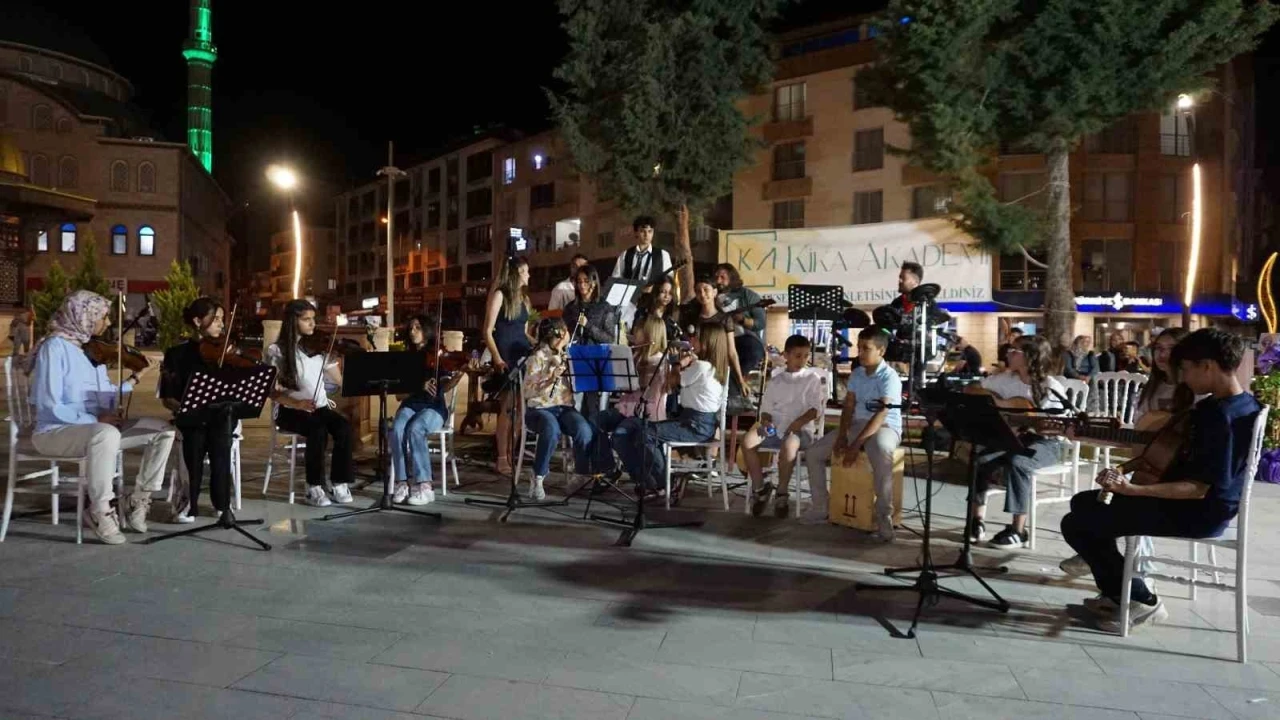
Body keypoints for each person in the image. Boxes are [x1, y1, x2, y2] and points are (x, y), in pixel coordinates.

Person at [1060, 328, 1262, 632]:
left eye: (1187, 369)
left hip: (1199, 512)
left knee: (1078, 523)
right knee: (1083, 504)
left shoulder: (1221, 418)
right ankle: (1121, 593)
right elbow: (1172, 453)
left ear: (1208, 366)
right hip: (1200, 504)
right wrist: (1126, 470)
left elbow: (1197, 488)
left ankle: (1140, 600)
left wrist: (1134, 489)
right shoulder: (1240, 404)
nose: (1184, 377)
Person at [28, 290, 173, 544]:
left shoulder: (91, 351)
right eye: (103, 317)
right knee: (105, 433)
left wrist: (135, 378)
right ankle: (99, 510)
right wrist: (96, 421)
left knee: (163, 431)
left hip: (97, 431)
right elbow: (49, 404)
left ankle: (138, 500)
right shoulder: (54, 348)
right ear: (83, 317)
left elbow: (105, 395)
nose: (108, 323)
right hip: (55, 432)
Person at [1059, 327, 1192, 580]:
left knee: (1111, 504)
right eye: (1158, 349)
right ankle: (1119, 575)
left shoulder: (1195, 390)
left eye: (1170, 349)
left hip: (1178, 476)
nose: (1162, 355)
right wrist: (1086, 435)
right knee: (1093, 501)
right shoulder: (1151, 389)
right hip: (1149, 468)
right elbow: (1138, 439)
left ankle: (1129, 577)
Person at [967, 334, 1066, 548]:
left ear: (1030, 356)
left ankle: (1018, 530)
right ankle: (977, 520)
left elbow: (1057, 424)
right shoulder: (1005, 379)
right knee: (979, 459)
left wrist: (1035, 424)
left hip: (1046, 443)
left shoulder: (1050, 386)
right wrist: (995, 402)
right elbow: (973, 389)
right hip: (1012, 437)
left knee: (1019, 463)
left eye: (1014, 351)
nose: (1008, 354)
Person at [804, 327, 903, 538]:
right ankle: (821, 506)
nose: (860, 353)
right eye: (859, 348)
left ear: (881, 351)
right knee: (814, 453)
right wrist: (842, 436)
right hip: (858, 423)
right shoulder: (857, 373)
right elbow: (848, 406)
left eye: (866, 348)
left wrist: (855, 445)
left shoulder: (890, 377)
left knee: (881, 451)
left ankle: (884, 515)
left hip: (885, 426)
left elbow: (881, 414)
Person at [614, 322, 728, 497]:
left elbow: (674, 381)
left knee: (646, 434)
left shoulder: (702, 366)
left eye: (696, 338)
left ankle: (666, 483)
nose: (692, 340)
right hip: (698, 422)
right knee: (633, 428)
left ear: (707, 343)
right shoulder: (709, 366)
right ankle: (650, 481)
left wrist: (677, 363)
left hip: (695, 424)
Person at [266, 299, 355, 508]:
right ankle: (313, 486)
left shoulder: (318, 348)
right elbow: (271, 392)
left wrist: (358, 378)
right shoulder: (277, 351)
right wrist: (296, 404)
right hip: (290, 410)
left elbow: (339, 380)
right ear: (292, 321)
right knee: (317, 430)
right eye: (306, 319)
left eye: (313, 319)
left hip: (318, 408)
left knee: (343, 427)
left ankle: (339, 482)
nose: (313, 324)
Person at [158, 297, 238, 522]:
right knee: (193, 441)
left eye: (222, 319)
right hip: (191, 416)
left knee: (221, 439)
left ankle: (222, 503)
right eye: (216, 319)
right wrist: (186, 408)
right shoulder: (176, 354)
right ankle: (188, 502)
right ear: (197, 321)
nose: (221, 324)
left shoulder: (226, 351)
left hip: (220, 415)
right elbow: (167, 398)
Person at [742, 335, 827, 519]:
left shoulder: (811, 379)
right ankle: (760, 487)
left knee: (789, 446)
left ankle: (782, 492)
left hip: (800, 429)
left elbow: (815, 409)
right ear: (786, 355)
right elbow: (766, 409)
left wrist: (798, 423)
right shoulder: (777, 381)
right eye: (797, 356)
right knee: (748, 441)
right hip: (775, 426)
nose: (802, 360)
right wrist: (766, 420)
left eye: (805, 356)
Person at [522, 318, 606, 500]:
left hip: (564, 407)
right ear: (559, 334)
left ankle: (580, 475)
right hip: (540, 408)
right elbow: (527, 391)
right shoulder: (537, 357)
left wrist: (577, 372)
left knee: (583, 430)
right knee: (551, 429)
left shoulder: (569, 356)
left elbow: (579, 386)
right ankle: (538, 475)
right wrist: (550, 378)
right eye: (565, 331)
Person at [387, 314, 466, 506]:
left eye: (418, 327)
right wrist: (418, 386)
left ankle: (425, 486)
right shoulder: (405, 358)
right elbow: (399, 396)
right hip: (410, 405)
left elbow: (445, 386)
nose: (413, 331)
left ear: (427, 331)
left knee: (416, 428)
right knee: (397, 429)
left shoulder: (438, 356)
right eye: (411, 328)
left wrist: (458, 376)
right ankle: (402, 482)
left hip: (434, 407)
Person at [482, 255, 533, 476]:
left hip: (522, 355)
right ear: (516, 274)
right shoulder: (500, 295)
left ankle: (513, 452)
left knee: (521, 408)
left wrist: (538, 344)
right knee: (507, 407)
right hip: (505, 357)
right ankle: (501, 457)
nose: (529, 275)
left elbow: (524, 332)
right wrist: (497, 358)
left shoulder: (525, 299)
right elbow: (487, 331)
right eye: (525, 271)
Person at [681, 276, 750, 403]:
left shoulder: (724, 319)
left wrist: (740, 380)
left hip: (717, 368)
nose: (702, 294)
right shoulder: (692, 318)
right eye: (698, 291)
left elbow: (732, 352)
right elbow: (688, 345)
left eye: (706, 289)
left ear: (714, 292)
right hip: (696, 369)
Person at [612, 215, 674, 327]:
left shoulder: (663, 255)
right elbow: (616, 281)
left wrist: (655, 288)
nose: (646, 235)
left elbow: (669, 282)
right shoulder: (625, 255)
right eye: (642, 231)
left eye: (650, 231)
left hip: (654, 306)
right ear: (636, 233)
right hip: (629, 307)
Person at [713, 263, 766, 382]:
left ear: (732, 277)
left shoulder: (748, 295)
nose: (718, 281)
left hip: (743, 339)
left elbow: (761, 323)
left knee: (753, 350)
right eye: (716, 277)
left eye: (722, 277)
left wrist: (743, 320)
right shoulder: (710, 294)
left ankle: (734, 383)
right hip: (719, 339)